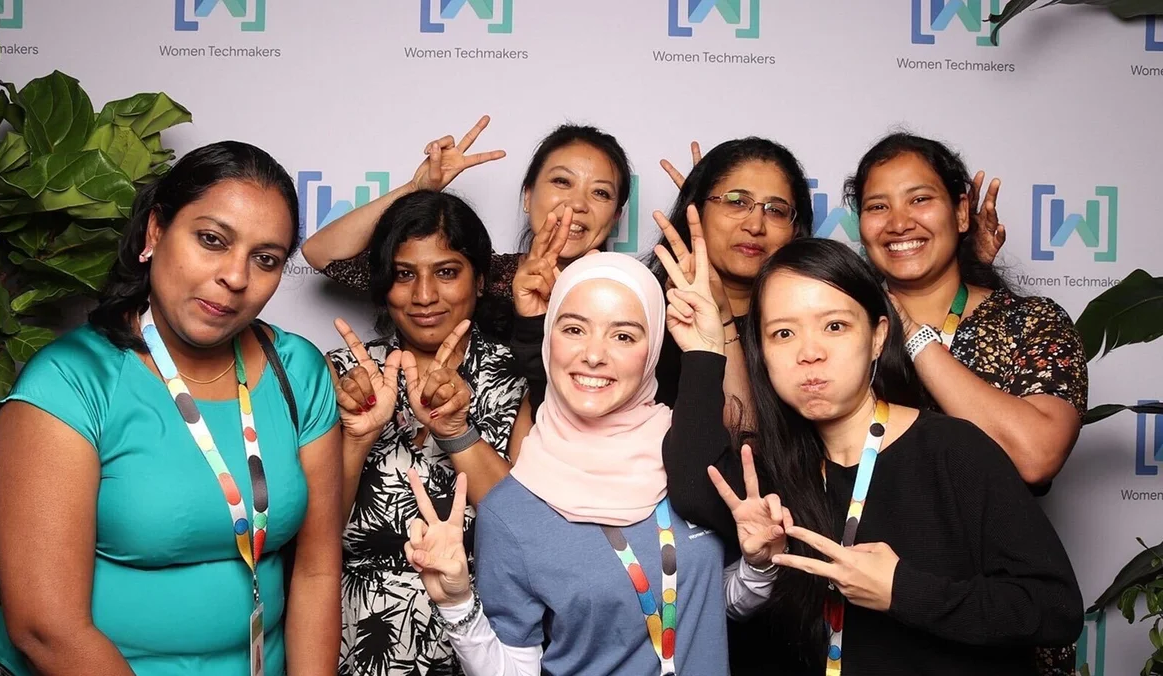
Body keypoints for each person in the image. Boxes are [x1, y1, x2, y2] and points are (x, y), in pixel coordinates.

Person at [0, 141, 343, 676]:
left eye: (265, 259)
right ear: (155, 233)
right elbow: (46, 628)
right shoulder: (70, 383)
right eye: (212, 240)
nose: (236, 277)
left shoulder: (299, 371)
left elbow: (316, 572)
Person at [665, 236, 1083, 675]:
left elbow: (1056, 608)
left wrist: (901, 590)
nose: (810, 353)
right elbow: (695, 489)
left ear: (879, 336)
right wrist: (703, 352)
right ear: (762, 353)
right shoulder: (779, 469)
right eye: (783, 333)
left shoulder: (954, 451)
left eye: (834, 326)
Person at [400, 251, 790, 675]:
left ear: (653, 349)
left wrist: (758, 566)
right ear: (549, 337)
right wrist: (457, 606)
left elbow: (716, 603)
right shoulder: (511, 512)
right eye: (573, 329)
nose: (593, 355)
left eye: (623, 336)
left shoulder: (689, 463)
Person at [846, 132, 1090, 675]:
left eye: (920, 199)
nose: (898, 221)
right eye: (876, 206)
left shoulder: (1032, 323)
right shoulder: (843, 334)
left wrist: (909, 328)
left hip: (1000, 624)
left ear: (961, 212)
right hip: (866, 622)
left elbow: (1034, 454)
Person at [324, 190, 529, 676]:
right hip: (358, 643)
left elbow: (526, 534)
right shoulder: (346, 377)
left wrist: (458, 432)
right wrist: (356, 438)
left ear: (480, 279)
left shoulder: (518, 378)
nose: (423, 296)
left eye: (446, 271)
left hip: (480, 642)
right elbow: (314, 538)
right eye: (403, 274)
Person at [511, 137, 815, 425]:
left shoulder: (806, 323)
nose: (754, 224)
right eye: (735, 202)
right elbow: (568, 421)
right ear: (696, 209)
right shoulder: (642, 309)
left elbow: (754, 443)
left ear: (795, 227)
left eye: (776, 210)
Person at [300, 117, 633, 318]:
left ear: (616, 215)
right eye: (562, 182)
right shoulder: (480, 277)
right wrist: (416, 189)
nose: (577, 204)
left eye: (600, 193)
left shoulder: (633, 292)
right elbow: (321, 253)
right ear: (528, 197)